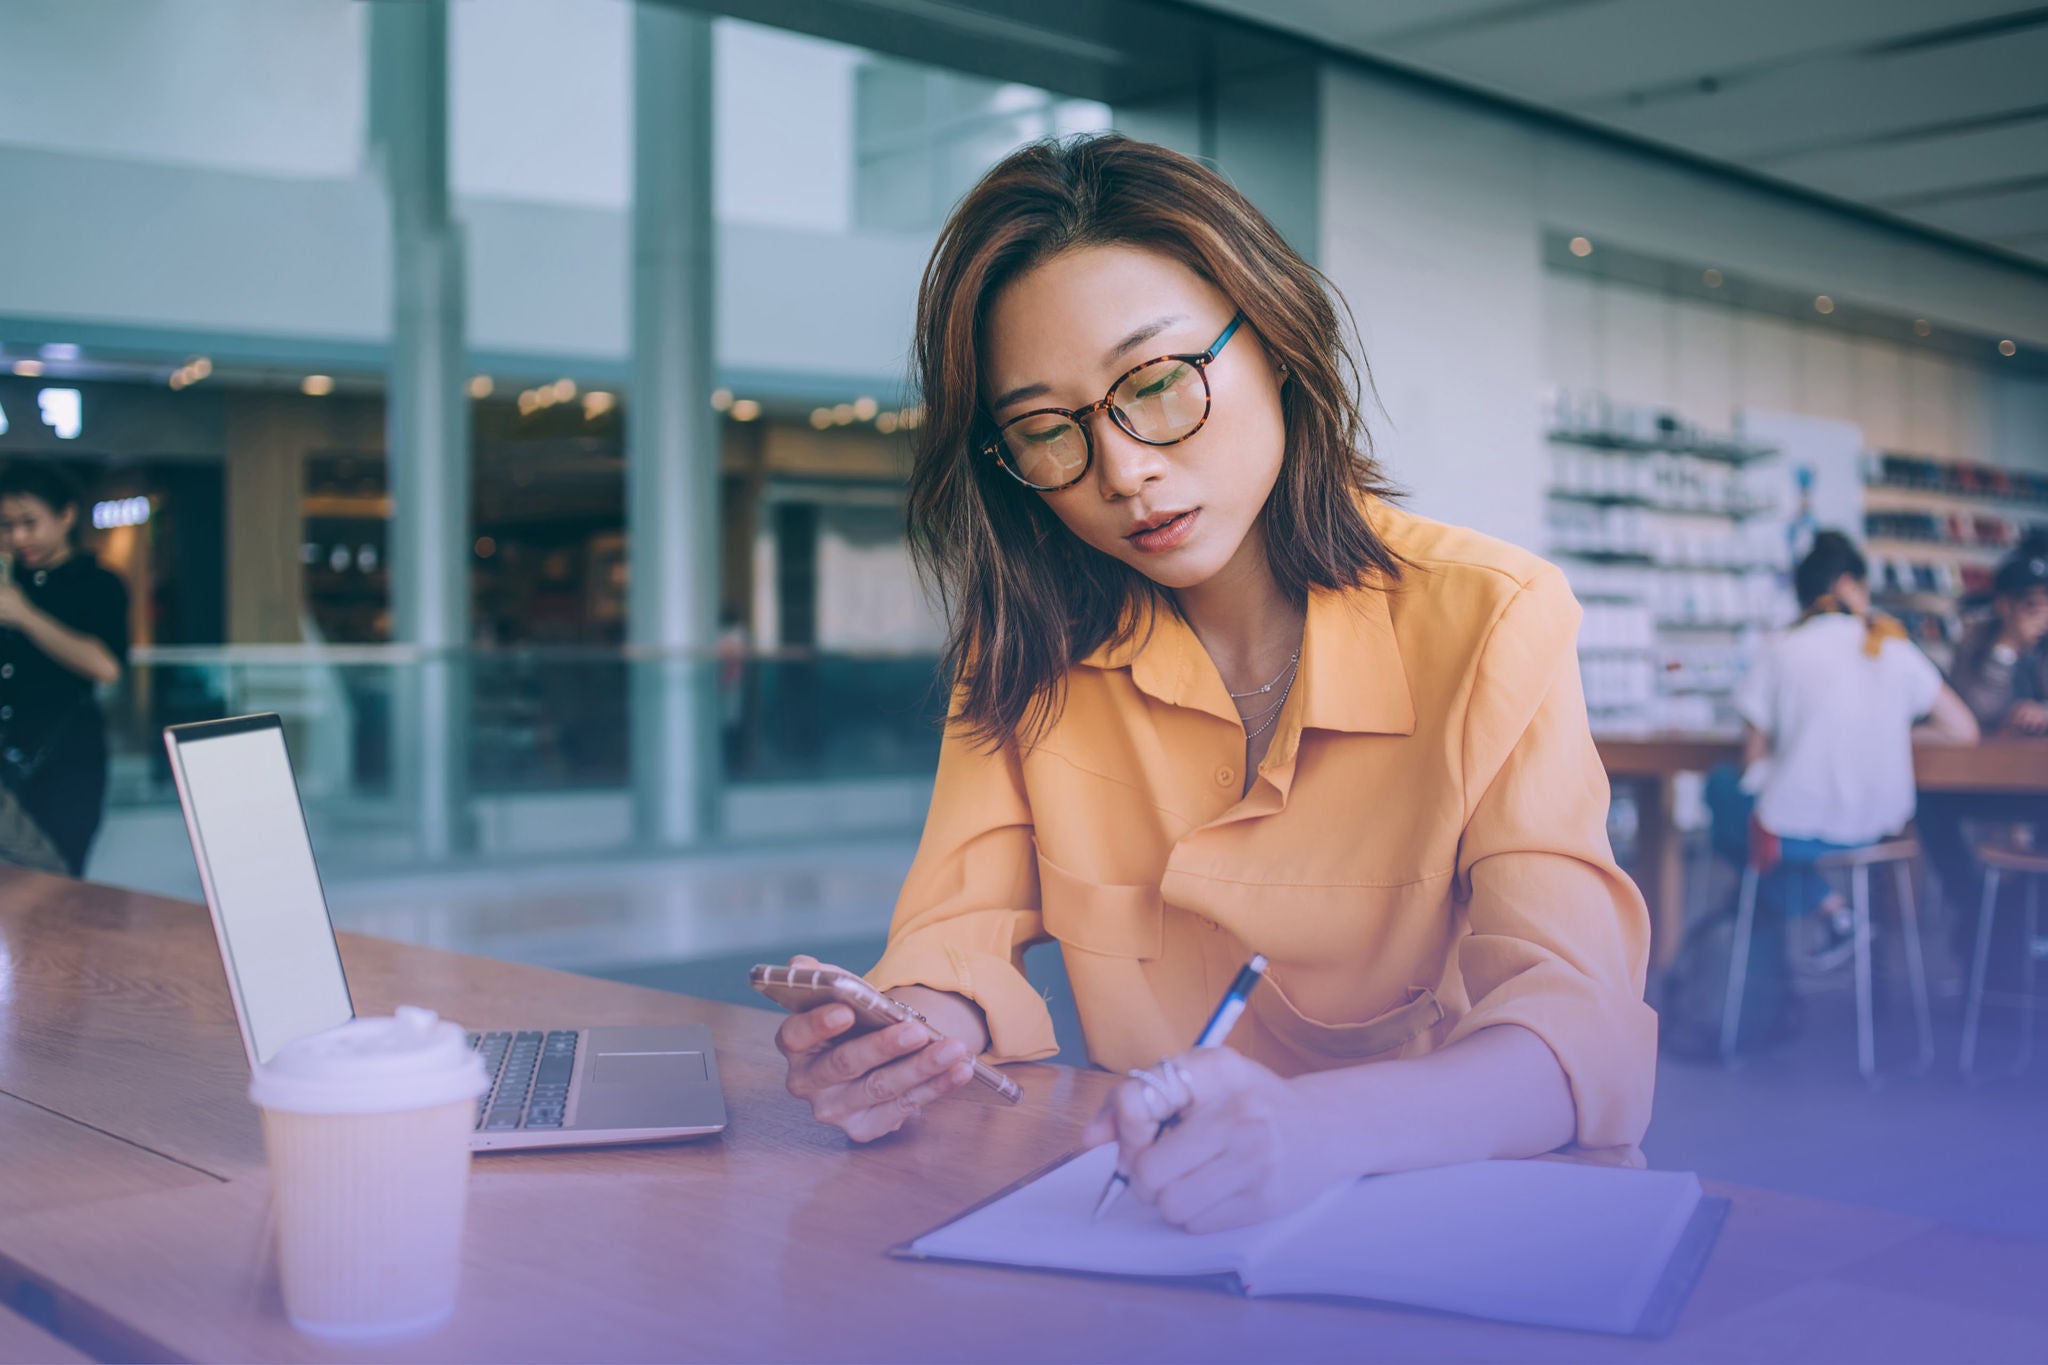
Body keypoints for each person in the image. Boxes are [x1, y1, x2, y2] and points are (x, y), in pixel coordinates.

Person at [772, 133, 1655, 1234]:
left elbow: (1578, 1017)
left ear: (1276, 345)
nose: (1121, 469)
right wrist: (903, 1034)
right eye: (1045, 432)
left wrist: (1319, 1134)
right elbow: (958, 932)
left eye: (1153, 384)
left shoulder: (1491, 616)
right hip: (1159, 1228)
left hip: (1449, 1218)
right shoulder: (1026, 657)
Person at [1713, 531, 1976, 961]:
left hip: (1799, 827)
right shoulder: (1892, 644)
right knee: (1751, 832)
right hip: (1883, 825)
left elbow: (1752, 756)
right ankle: (1832, 916)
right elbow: (1962, 729)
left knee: (1725, 798)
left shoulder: (1781, 649)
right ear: (1850, 585)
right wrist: (1888, 731)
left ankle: (1830, 911)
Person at [0, 459, 130, 876]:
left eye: (29, 522)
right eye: (6, 524)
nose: (18, 537)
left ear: (66, 515)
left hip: (63, 769)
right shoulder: (8, 580)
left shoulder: (98, 585)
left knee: (54, 889)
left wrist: (24, 616)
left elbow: (105, 666)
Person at [1948, 538, 2048, 737]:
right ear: (2004, 606)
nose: (2043, 616)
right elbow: (1978, 712)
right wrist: (2008, 646)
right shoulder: (1975, 642)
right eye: (2031, 605)